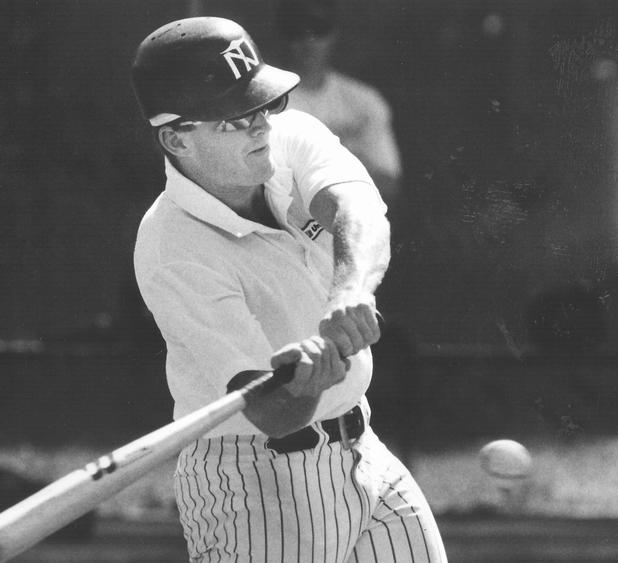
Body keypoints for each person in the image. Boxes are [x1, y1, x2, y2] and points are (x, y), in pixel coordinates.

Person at [131, 16, 446, 562]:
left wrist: (351, 289)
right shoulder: (170, 248)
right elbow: (274, 415)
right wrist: (301, 385)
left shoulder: (289, 135)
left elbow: (360, 209)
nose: (259, 126)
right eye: (234, 118)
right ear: (177, 137)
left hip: (362, 447)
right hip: (255, 479)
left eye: (261, 105)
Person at [276, 0, 403, 205]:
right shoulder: (268, 103)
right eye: (295, 31)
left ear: (334, 34)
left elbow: (389, 184)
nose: (308, 41)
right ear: (282, 36)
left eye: (318, 30)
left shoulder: (364, 101)